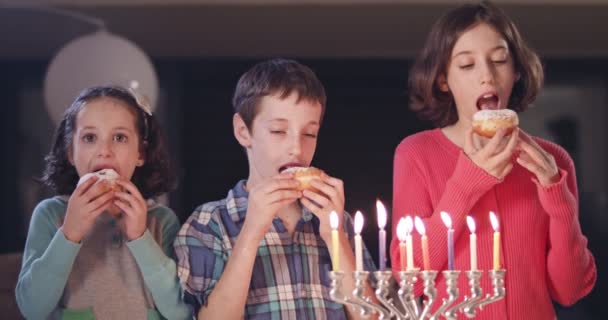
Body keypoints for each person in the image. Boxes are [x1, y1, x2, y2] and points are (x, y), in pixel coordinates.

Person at [390, 2, 596, 319]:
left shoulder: (554, 161)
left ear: (516, 71)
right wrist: (467, 184)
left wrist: (558, 199)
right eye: (467, 65)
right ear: (444, 80)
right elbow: (410, 280)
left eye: (499, 60)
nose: (487, 76)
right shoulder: (416, 153)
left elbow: (569, 291)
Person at [174, 58, 377, 319]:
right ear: (242, 131)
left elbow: (372, 317)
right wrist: (251, 233)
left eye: (309, 134)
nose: (296, 147)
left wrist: (335, 236)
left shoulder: (339, 220)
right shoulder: (208, 224)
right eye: (279, 131)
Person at [15, 85, 192, 320]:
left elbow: (181, 312)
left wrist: (140, 238)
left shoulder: (161, 221)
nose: (104, 151)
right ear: (71, 152)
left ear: (140, 153)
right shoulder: (50, 214)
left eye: (119, 137)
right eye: (89, 138)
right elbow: (32, 309)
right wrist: (69, 234)